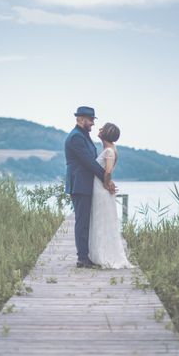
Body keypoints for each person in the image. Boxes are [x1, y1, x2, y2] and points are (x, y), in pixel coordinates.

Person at [64, 106, 115, 269]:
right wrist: (106, 181)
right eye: (90, 119)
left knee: (86, 220)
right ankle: (82, 259)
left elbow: (93, 160)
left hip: (86, 184)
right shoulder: (76, 138)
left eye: (93, 119)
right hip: (80, 184)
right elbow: (89, 162)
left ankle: (86, 256)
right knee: (82, 221)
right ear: (80, 119)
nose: (93, 123)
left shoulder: (84, 136)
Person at [88, 122, 134, 268]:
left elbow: (108, 171)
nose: (99, 129)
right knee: (102, 221)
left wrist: (107, 184)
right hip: (101, 188)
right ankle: (101, 253)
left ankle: (103, 256)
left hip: (101, 189)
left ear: (106, 133)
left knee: (100, 221)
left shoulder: (109, 151)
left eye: (102, 128)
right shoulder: (111, 149)